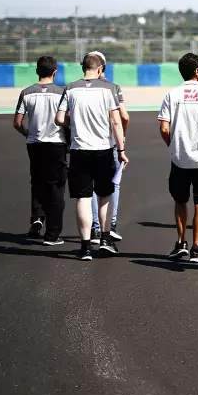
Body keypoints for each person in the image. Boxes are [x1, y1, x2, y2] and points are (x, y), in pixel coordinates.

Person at [56, 53, 129, 261]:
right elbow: (117, 121)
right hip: (104, 150)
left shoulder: (70, 88)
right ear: (100, 70)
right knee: (105, 195)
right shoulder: (109, 89)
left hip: (79, 150)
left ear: (83, 68)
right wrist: (122, 151)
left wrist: (76, 123)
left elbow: (59, 118)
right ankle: (105, 239)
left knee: (82, 198)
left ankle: (85, 247)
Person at [157, 53, 198, 263]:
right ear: (196, 71)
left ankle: (181, 243)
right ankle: (197, 247)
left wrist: (173, 145)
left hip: (179, 158)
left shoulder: (171, 95)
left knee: (180, 201)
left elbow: (164, 127)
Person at [13, 56, 67, 245]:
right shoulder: (62, 92)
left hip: (34, 144)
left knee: (37, 182)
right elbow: (67, 119)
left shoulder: (26, 92)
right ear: (54, 72)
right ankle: (52, 233)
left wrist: (28, 134)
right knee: (56, 187)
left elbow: (17, 122)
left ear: (37, 71)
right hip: (56, 143)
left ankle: (36, 220)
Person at [88, 51, 129, 243]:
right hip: (109, 143)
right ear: (103, 67)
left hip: (85, 144)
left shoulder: (78, 87)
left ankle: (95, 228)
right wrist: (122, 137)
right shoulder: (113, 87)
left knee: (91, 189)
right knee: (113, 184)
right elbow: (124, 117)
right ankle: (110, 225)